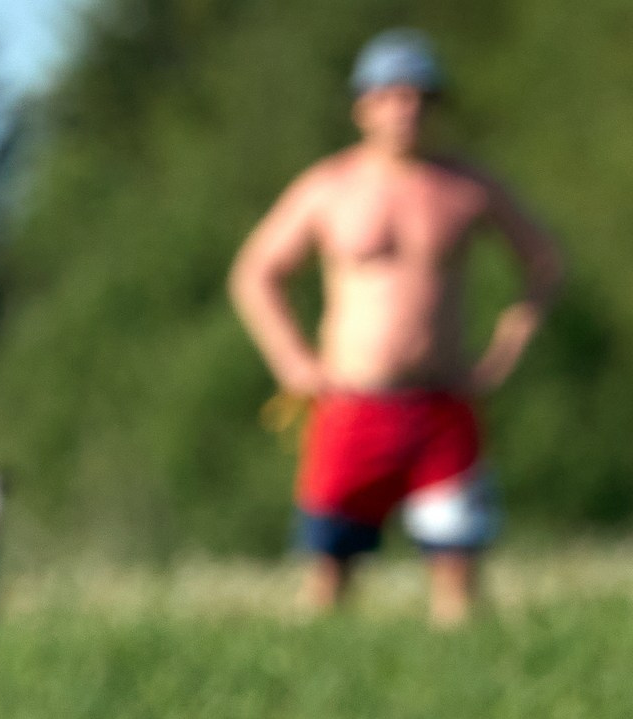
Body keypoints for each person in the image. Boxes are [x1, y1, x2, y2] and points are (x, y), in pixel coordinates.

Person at [229, 30, 563, 627]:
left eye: (419, 97)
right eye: (391, 96)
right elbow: (256, 273)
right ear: (363, 106)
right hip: (351, 406)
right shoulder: (328, 188)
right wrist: (293, 362)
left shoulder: (466, 188)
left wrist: (506, 349)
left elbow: (544, 263)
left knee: (458, 573)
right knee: (328, 573)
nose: (405, 109)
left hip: (443, 407)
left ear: (436, 106)